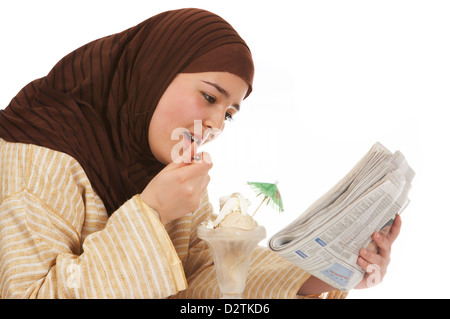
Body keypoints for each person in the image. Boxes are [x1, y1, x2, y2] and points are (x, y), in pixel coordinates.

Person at [0, 8, 400, 299]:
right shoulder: (36, 160)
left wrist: (325, 273)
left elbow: (203, 282)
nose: (216, 124)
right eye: (209, 97)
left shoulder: (162, 168)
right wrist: (152, 213)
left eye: (228, 113)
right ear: (151, 72)